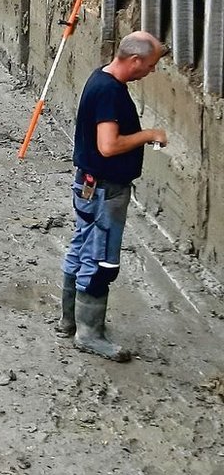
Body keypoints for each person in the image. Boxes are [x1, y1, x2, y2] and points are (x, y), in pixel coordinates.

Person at [58, 31, 167, 361]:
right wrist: (148, 134)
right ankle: (89, 334)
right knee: (101, 261)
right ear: (134, 60)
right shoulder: (109, 92)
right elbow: (108, 146)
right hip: (105, 191)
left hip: (88, 185)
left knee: (80, 248)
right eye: (150, 65)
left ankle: (69, 321)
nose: (151, 71)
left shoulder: (100, 78)